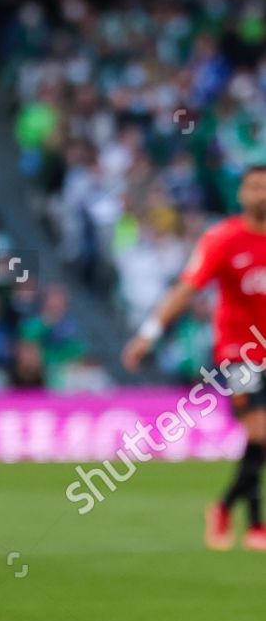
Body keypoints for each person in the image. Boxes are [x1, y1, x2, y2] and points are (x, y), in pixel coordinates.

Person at [124, 164, 266, 550]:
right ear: (241, 195)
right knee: (259, 430)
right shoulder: (223, 239)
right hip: (239, 351)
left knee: (262, 438)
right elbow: (186, 290)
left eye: (265, 188)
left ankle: (223, 508)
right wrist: (149, 334)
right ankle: (256, 524)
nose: (260, 195)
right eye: (254, 187)